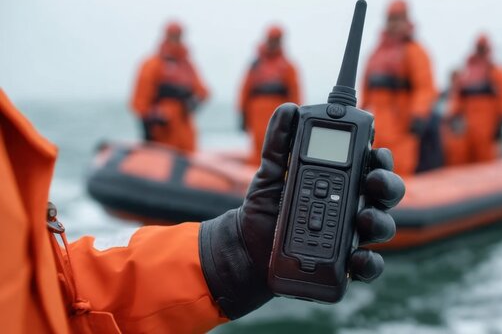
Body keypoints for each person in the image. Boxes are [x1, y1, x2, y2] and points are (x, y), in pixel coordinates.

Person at [0, 88, 403, 333]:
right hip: (170, 133)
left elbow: (49, 292)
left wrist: (231, 256)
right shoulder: (159, 64)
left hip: (397, 124)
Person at [361, 0, 438, 176]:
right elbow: (366, 88)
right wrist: (358, 115)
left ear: (406, 21)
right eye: (391, 19)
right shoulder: (375, 53)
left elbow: (425, 87)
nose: (394, 24)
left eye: (398, 19)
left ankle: (403, 203)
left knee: (400, 170)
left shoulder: (415, 51)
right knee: (369, 170)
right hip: (376, 126)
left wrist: (419, 115)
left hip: (402, 126)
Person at [130, 21, 209, 153]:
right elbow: (140, 99)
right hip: (163, 129)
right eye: (172, 35)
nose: (176, 39)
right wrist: (149, 120)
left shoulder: (187, 66)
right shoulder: (152, 64)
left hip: (184, 124)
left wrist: (194, 102)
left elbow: (203, 91)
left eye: (178, 35)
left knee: (187, 155)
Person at [238, 25, 301, 165]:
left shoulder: (288, 66)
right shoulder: (255, 65)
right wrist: (242, 114)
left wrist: (297, 117)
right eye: (272, 39)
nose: (274, 42)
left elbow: (295, 92)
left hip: (278, 113)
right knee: (258, 146)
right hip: (256, 114)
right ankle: (253, 180)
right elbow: (245, 89)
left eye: (277, 39)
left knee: (278, 147)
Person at [450, 34, 502, 163]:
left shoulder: (497, 74)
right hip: (467, 131)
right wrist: (454, 117)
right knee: (461, 161)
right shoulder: (466, 75)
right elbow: (456, 99)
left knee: (486, 163)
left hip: (488, 131)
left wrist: (501, 124)